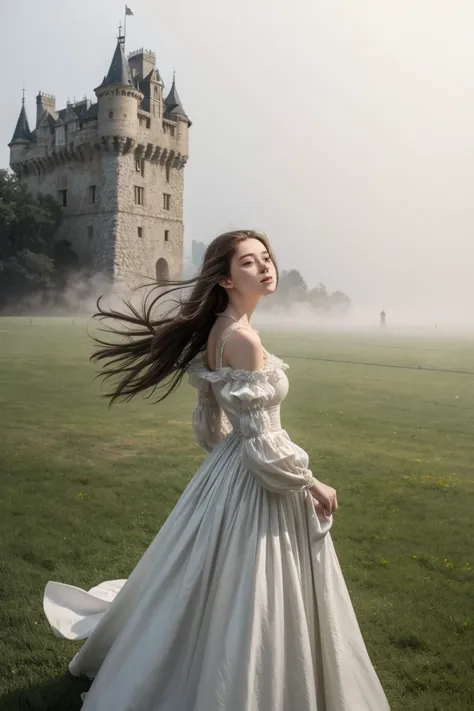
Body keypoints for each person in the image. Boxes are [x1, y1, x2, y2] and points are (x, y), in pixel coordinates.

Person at [43, 230, 390, 710]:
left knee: (210, 580)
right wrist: (311, 482)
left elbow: (213, 422)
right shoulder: (241, 339)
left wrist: (227, 461)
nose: (265, 267)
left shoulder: (221, 332)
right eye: (250, 262)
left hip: (232, 468)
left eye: (266, 257)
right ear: (226, 278)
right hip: (253, 471)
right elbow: (262, 440)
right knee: (251, 591)